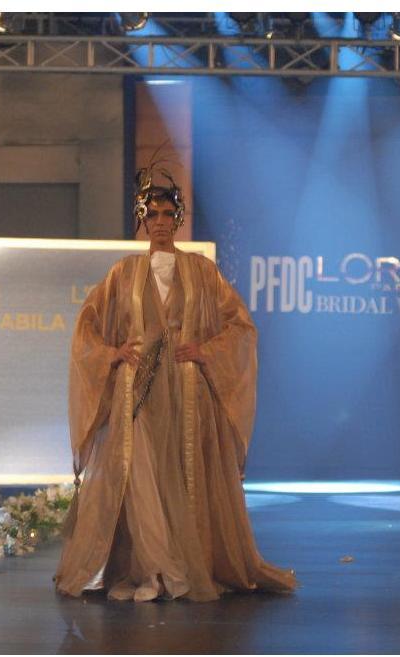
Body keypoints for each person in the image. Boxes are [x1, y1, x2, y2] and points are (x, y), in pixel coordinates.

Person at [53, 159, 298, 602]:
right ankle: (150, 569)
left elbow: (241, 327)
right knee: (141, 478)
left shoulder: (201, 272)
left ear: (178, 219)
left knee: (184, 477)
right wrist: (112, 353)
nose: (161, 222)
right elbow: (86, 325)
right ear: (142, 221)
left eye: (168, 214)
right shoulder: (123, 272)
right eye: (153, 215)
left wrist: (206, 351)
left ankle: (180, 568)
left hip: (187, 393)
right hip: (137, 391)